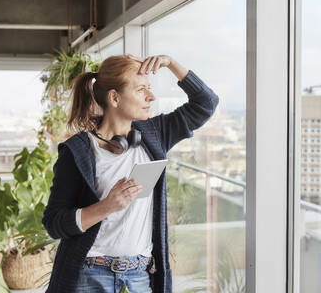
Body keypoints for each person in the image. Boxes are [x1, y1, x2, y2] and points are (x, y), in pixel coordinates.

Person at [42, 54, 219, 292]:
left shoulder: (155, 134)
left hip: (140, 276)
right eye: (141, 89)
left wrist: (170, 64)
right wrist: (106, 206)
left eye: (149, 88)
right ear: (114, 97)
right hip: (90, 275)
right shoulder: (77, 152)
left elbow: (206, 103)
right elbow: (54, 224)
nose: (151, 96)